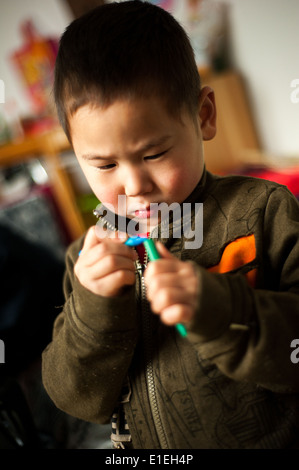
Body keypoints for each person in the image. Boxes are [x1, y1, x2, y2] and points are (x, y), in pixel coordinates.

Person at [42, 1, 299, 449]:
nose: (134, 186)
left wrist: (222, 311)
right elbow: (75, 399)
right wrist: (92, 310)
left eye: (154, 154)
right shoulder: (88, 259)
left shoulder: (264, 212)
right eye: (103, 164)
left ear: (203, 116)